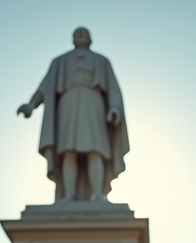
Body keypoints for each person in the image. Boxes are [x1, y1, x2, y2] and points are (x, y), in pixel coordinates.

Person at [17, 27, 129, 203]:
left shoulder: (102, 61)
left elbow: (114, 89)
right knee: (68, 152)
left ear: (91, 39)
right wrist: (31, 105)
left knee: (95, 151)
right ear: (72, 39)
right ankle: (69, 195)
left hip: (94, 105)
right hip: (67, 106)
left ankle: (98, 194)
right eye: (77, 33)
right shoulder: (59, 61)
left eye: (84, 33)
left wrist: (115, 108)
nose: (81, 35)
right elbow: (45, 87)